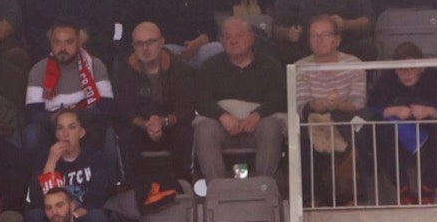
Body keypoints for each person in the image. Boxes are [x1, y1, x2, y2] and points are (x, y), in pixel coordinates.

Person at [193, 17, 288, 180]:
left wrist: (257, 115)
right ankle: (218, 188)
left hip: (258, 125)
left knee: (271, 127)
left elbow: (279, 98)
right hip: (222, 126)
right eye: (228, 37)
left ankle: (263, 185)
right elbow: (201, 99)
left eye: (240, 36)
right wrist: (222, 116)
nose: (233, 41)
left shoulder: (271, 66)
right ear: (221, 41)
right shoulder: (209, 66)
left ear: (252, 38)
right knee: (205, 129)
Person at [114, 21, 196, 207]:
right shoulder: (124, 70)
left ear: (161, 42)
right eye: (139, 44)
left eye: (150, 42)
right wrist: (146, 125)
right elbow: (124, 107)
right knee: (126, 135)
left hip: (170, 125)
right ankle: (133, 192)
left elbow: (185, 107)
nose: (145, 48)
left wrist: (163, 122)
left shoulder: (179, 68)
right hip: (140, 127)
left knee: (185, 131)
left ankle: (181, 187)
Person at [365, 42, 437, 207]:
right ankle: (403, 189)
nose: (406, 74)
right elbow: (370, 111)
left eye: (412, 68)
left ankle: (428, 188)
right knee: (384, 134)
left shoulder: (436, 77)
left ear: (421, 67)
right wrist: (392, 111)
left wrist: (431, 111)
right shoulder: (386, 80)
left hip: (429, 127)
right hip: (396, 130)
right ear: (395, 70)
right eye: (401, 69)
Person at [294, 15, 367, 208]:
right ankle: (311, 198)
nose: (319, 40)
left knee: (360, 126)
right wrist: (320, 105)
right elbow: (301, 104)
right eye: (314, 36)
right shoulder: (301, 66)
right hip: (314, 117)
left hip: (344, 115)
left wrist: (336, 104)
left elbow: (358, 102)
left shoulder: (354, 63)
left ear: (337, 40)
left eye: (324, 35)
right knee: (302, 132)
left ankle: (356, 195)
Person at [23, 22, 115, 162]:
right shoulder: (39, 69)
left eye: (69, 42)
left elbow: (107, 106)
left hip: (85, 123)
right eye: (57, 42)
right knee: (32, 134)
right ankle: (40, 181)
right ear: (51, 44)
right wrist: (61, 121)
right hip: (52, 125)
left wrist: (74, 120)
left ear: (79, 42)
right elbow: (32, 112)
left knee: (106, 132)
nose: (62, 48)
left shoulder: (95, 65)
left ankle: (105, 181)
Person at [29, 110, 118, 222]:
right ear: (56, 134)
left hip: (83, 214)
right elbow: (37, 199)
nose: (65, 134)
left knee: (97, 217)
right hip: (54, 215)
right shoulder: (46, 159)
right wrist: (51, 162)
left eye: (72, 127)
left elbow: (99, 196)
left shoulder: (95, 157)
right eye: (60, 128)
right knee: (35, 216)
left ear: (81, 132)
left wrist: (75, 214)